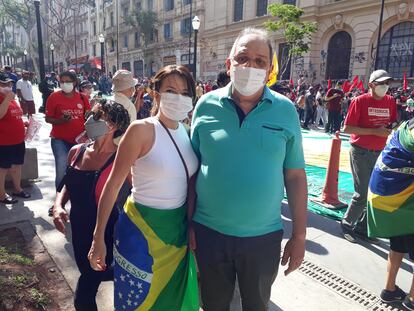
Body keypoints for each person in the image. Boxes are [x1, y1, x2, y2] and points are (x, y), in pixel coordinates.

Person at [190, 27, 307, 311]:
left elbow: (294, 175)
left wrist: (300, 235)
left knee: (256, 305)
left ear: (269, 70)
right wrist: (188, 225)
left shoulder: (285, 110)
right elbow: (191, 171)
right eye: (243, 58)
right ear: (229, 65)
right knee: (213, 305)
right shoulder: (206, 105)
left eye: (259, 61)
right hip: (209, 233)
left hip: (262, 238)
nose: (250, 66)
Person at [88, 65, 200, 310]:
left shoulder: (187, 132)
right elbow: (113, 184)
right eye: (171, 90)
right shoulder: (141, 130)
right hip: (140, 234)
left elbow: (190, 185)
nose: (178, 97)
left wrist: (192, 225)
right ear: (156, 93)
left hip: (177, 234)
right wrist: (98, 238)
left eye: (184, 92)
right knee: (138, 303)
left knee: (173, 301)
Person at [52, 100, 130, 311]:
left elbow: (138, 193)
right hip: (78, 227)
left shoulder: (121, 159)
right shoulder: (76, 151)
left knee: (91, 281)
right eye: (90, 114)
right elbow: (65, 185)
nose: (88, 120)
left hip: (107, 232)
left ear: (112, 125)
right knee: (89, 272)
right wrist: (58, 205)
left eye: (96, 116)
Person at [341, 69, 397, 244]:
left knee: (375, 192)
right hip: (360, 151)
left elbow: (392, 122)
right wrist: (374, 131)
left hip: (380, 153)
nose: (385, 87)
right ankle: (347, 224)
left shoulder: (390, 101)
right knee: (362, 192)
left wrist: (391, 129)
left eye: (387, 83)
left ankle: (363, 228)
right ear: (371, 85)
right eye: (381, 84)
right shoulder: (360, 101)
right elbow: (347, 128)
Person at [366, 119, 414, 310]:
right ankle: (412, 300)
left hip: (388, 198)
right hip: (402, 199)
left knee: (399, 243)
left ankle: (389, 289)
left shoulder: (406, 125)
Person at [45, 71, 91, 191]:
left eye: (68, 81)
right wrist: (60, 120)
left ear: (74, 83)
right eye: (62, 81)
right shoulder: (53, 97)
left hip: (79, 141)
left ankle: (76, 198)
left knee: (79, 170)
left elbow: (88, 116)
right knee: (61, 170)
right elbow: (47, 118)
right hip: (59, 140)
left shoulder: (82, 98)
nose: (65, 84)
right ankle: (58, 203)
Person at [0, 73, 31, 204]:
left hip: (18, 140)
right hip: (4, 142)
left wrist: (23, 123)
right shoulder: (6, 98)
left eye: (10, 84)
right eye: (4, 84)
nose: (8, 86)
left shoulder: (12, 99)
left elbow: (13, 114)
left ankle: (17, 189)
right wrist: (7, 99)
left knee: (17, 166)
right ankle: (1, 195)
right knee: (2, 169)